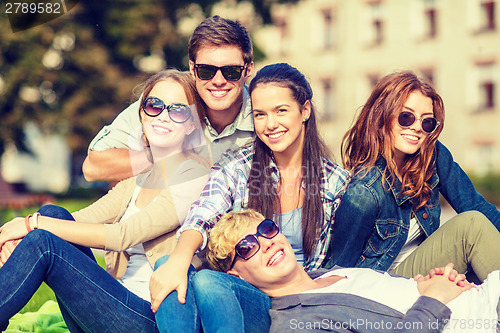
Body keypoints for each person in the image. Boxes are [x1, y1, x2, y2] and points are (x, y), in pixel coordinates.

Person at [0, 70, 210, 332]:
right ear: (142, 113)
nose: (163, 116)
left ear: (192, 123)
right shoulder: (141, 175)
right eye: (154, 105)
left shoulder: (195, 177)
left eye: (178, 110)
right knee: (53, 214)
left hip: (148, 318)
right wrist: (22, 238)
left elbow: (122, 235)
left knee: (44, 241)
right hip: (110, 304)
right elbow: (78, 221)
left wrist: (32, 225)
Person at [149, 63, 350, 332]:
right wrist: (178, 259)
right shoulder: (237, 167)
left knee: (206, 281)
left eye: (281, 111)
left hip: (300, 306)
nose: (270, 124)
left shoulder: (335, 181)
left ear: (305, 110)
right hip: (242, 294)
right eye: (259, 114)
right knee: (172, 264)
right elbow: (204, 213)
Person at [327, 71, 500, 281]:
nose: (417, 127)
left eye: (427, 122)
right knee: (471, 227)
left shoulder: (432, 156)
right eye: (406, 117)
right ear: (382, 117)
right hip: (385, 285)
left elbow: (477, 206)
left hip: (425, 272)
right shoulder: (364, 193)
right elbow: (338, 272)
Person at [207, 209, 500, 333]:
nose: (266, 244)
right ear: (237, 275)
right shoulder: (295, 323)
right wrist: (433, 301)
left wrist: (428, 283)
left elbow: (392, 296)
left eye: (266, 230)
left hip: (481, 297)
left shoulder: (327, 273)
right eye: (247, 247)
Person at [82, 15, 255, 182]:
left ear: (247, 71)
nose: (218, 81)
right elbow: (93, 167)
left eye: (231, 71)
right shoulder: (166, 99)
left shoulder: (264, 112)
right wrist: (176, 158)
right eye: (206, 71)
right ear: (193, 69)